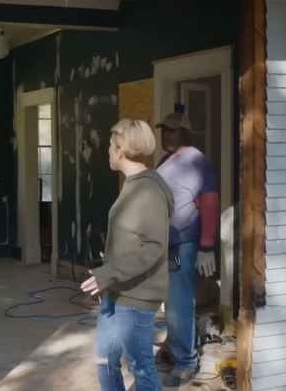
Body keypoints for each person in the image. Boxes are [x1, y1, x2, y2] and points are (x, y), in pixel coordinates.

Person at [81, 119, 174, 391]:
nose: (108, 150)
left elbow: (154, 246)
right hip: (116, 290)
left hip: (136, 296)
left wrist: (107, 273)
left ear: (120, 149)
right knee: (104, 359)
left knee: (142, 367)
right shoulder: (133, 184)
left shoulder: (148, 189)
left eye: (111, 145)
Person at [154, 111, 220, 387]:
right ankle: (177, 346)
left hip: (184, 243)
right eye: (163, 130)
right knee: (171, 303)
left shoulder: (197, 161)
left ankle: (186, 362)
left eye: (172, 130)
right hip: (164, 243)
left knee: (179, 303)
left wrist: (206, 247)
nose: (166, 134)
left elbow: (210, 204)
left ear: (185, 133)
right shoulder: (166, 160)